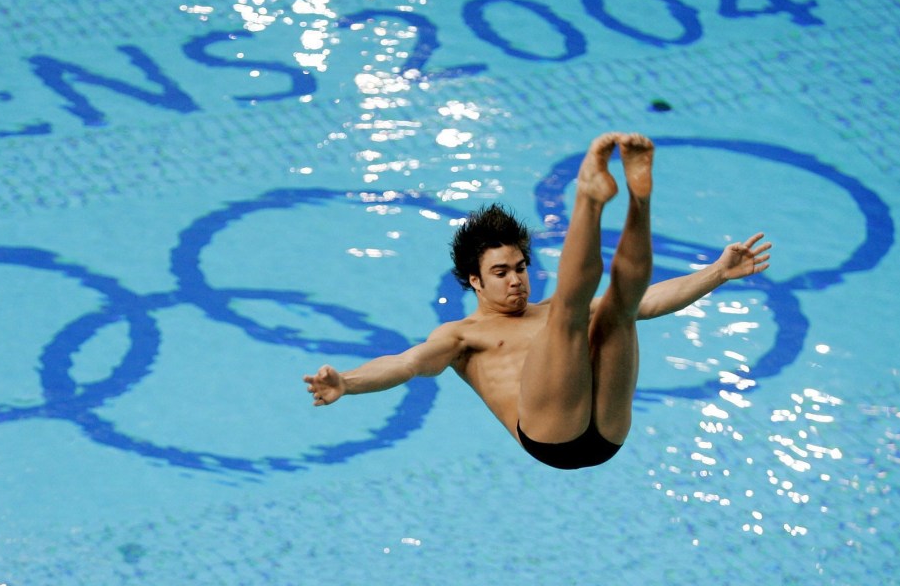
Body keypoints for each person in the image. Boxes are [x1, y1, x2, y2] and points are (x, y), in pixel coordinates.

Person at [303, 133, 772, 470]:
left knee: (619, 309)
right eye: (500, 273)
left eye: (521, 268)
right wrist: (348, 381)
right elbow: (406, 365)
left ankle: (639, 197)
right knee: (570, 315)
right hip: (551, 438)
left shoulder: (548, 311)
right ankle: (588, 200)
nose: (516, 282)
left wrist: (717, 272)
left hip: (608, 432)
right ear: (475, 282)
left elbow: (649, 300)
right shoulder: (463, 336)